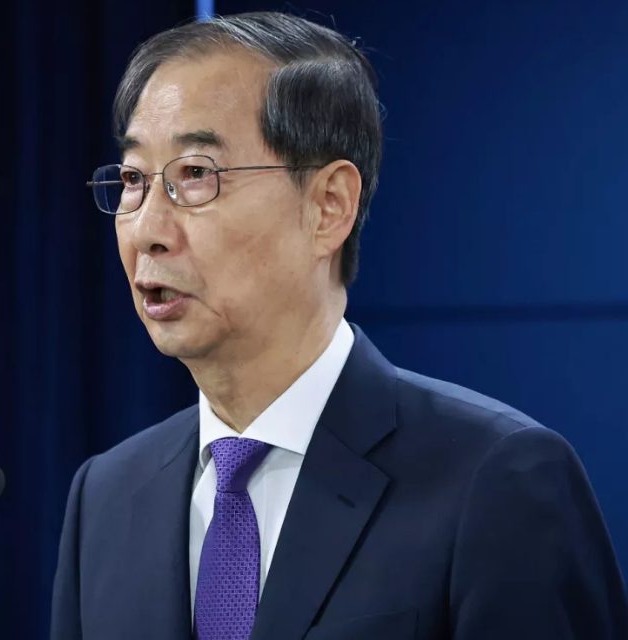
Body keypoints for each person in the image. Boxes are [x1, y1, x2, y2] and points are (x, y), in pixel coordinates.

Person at [51, 12, 627, 640]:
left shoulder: (496, 480)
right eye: (134, 180)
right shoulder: (106, 498)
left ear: (329, 206)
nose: (147, 231)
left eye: (195, 175)